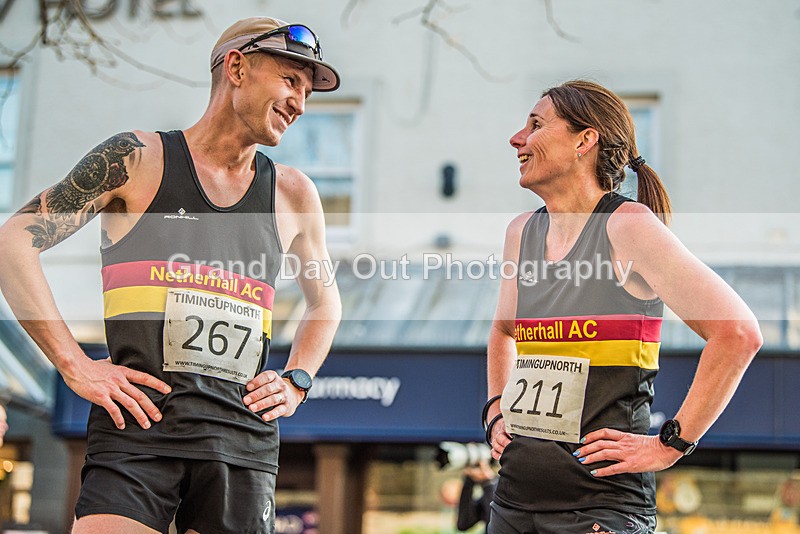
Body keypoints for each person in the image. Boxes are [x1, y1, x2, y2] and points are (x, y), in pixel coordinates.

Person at [0, 17, 342, 534]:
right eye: (290, 80)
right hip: (137, 429)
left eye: (307, 91)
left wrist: (297, 379)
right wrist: (73, 365)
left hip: (239, 441)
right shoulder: (136, 160)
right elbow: (14, 241)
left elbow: (325, 304)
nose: (300, 102)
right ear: (237, 67)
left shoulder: (293, 194)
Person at [484, 80, 762, 533]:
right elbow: (502, 332)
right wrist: (496, 408)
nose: (517, 138)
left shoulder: (627, 226)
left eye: (535, 125)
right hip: (513, 501)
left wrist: (669, 444)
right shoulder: (521, 232)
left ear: (584, 140)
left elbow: (738, 334)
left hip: (601, 509)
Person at [457, 460, 497, 533]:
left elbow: (497, 524)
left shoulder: (500, 489)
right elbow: (463, 523)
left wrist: (488, 483)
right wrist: (469, 482)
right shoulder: (494, 489)